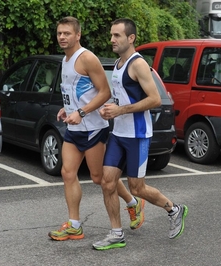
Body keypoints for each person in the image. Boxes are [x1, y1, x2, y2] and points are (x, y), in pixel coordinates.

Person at [92, 18, 188, 251]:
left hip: (137, 134)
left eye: (117, 36)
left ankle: (174, 209)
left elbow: (154, 99)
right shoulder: (117, 64)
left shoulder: (138, 65)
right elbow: (120, 98)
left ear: (131, 38)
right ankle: (116, 233)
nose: (112, 39)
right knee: (107, 183)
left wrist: (121, 110)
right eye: (112, 35)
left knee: (137, 188)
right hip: (118, 133)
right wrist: (109, 110)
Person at [48, 16, 145, 241]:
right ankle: (74, 225)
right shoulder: (65, 60)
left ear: (78, 35)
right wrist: (67, 108)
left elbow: (104, 92)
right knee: (67, 173)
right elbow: (77, 91)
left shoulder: (87, 58)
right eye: (59, 33)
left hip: (93, 128)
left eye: (67, 33)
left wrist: (81, 112)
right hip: (74, 129)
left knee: (99, 178)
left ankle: (133, 203)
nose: (62, 37)